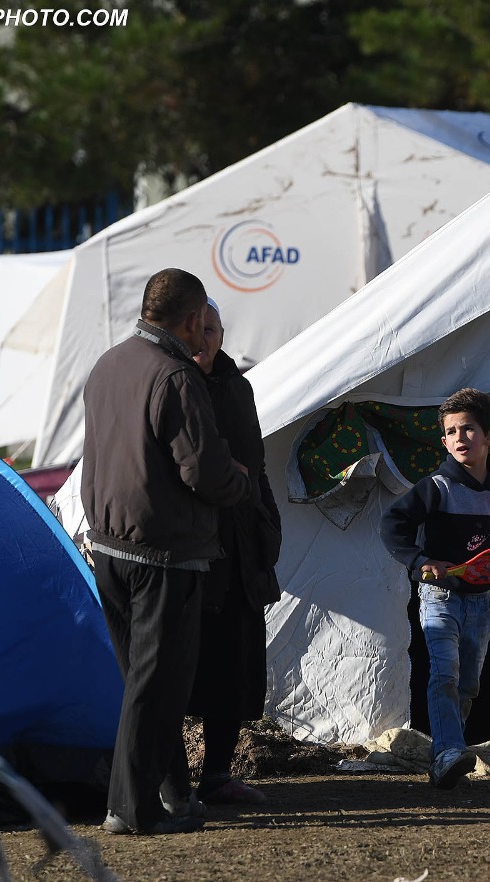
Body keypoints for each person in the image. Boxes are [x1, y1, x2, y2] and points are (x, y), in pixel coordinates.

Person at [81, 268, 253, 835]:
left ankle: (170, 795)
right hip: (162, 550)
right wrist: (239, 480)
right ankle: (130, 807)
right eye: (204, 321)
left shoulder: (109, 363)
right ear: (190, 319)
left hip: (109, 544)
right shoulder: (175, 376)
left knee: (143, 681)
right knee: (158, 686)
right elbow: (201, 469)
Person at [381, 388, 490, 788]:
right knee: (444, 673)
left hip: (480, 600)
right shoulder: (436, 486)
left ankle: (449, 750)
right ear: (443, 441)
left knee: (467, 682)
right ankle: (448, 753)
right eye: (451, 431)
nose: (459, 438)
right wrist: (421, 561)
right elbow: (393, 524)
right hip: (439, 597)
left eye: (468, 429)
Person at [186, 299, 282, 805]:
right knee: (186, 670)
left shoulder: (239, 387)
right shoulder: (175, 384)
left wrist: (268, 523)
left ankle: (218, 774)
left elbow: (256, 464)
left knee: (234, 669)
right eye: (196, 329)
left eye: (212, 329)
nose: (205, 339)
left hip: (242, 546)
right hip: (193, 550)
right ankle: (175, 780)